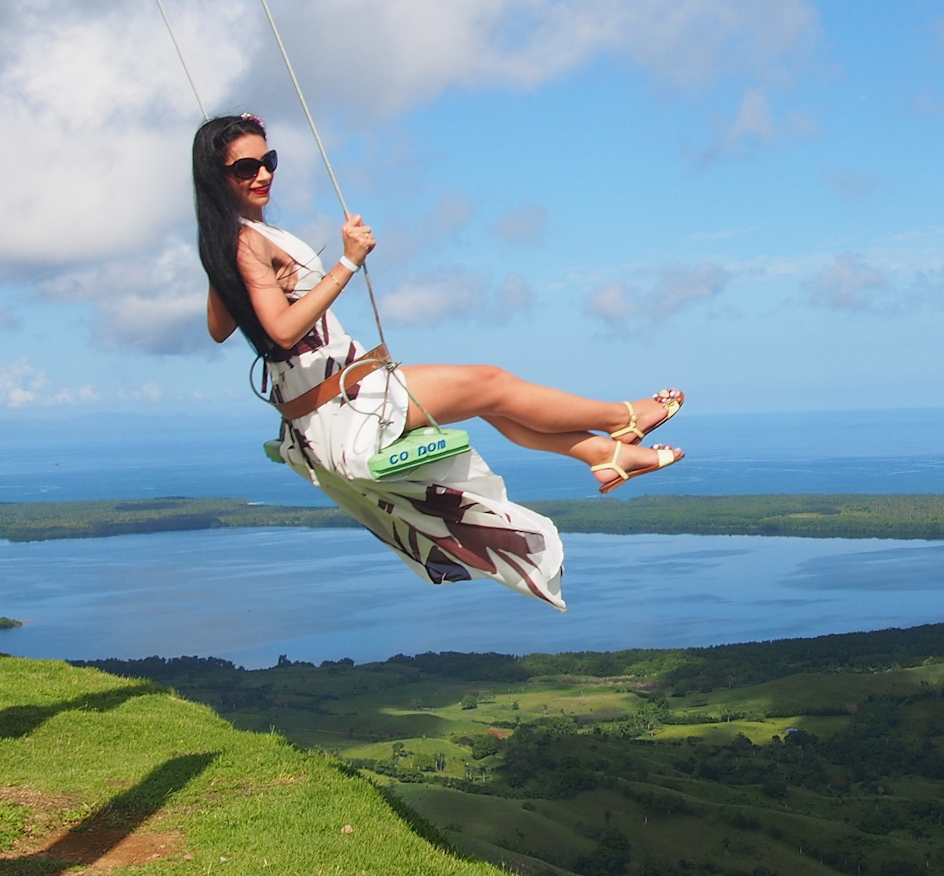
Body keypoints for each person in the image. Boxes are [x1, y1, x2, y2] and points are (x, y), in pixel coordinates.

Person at [192, 111, 682, 609]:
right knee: (492, 383)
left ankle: (603, 455)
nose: (263, 175)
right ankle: (623, 419)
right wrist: (347, 262)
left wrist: (241, 278)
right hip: (340, 407)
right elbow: (280, 330)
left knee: (489, 398)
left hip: (330, 403)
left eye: (268, 161)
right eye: (246, 168)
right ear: (218, 176)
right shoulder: (246, 241)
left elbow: (218, 327)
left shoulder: (237, 237)